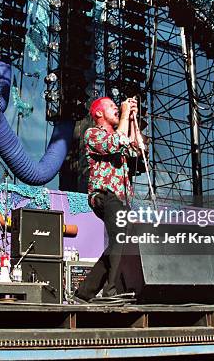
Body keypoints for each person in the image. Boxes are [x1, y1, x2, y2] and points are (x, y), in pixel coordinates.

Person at [73, 96, 144, 302]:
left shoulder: (118, 134)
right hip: (105, 195)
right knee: (120, 239)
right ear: (99, 113)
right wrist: (123, 115)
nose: (116, 108)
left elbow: (135, 149)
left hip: (121, 199)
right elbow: (114, 143)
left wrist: (131, 120)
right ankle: (112, 290)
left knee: (121, 242)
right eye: (112, 107)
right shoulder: (93, 134)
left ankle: (84, 292)